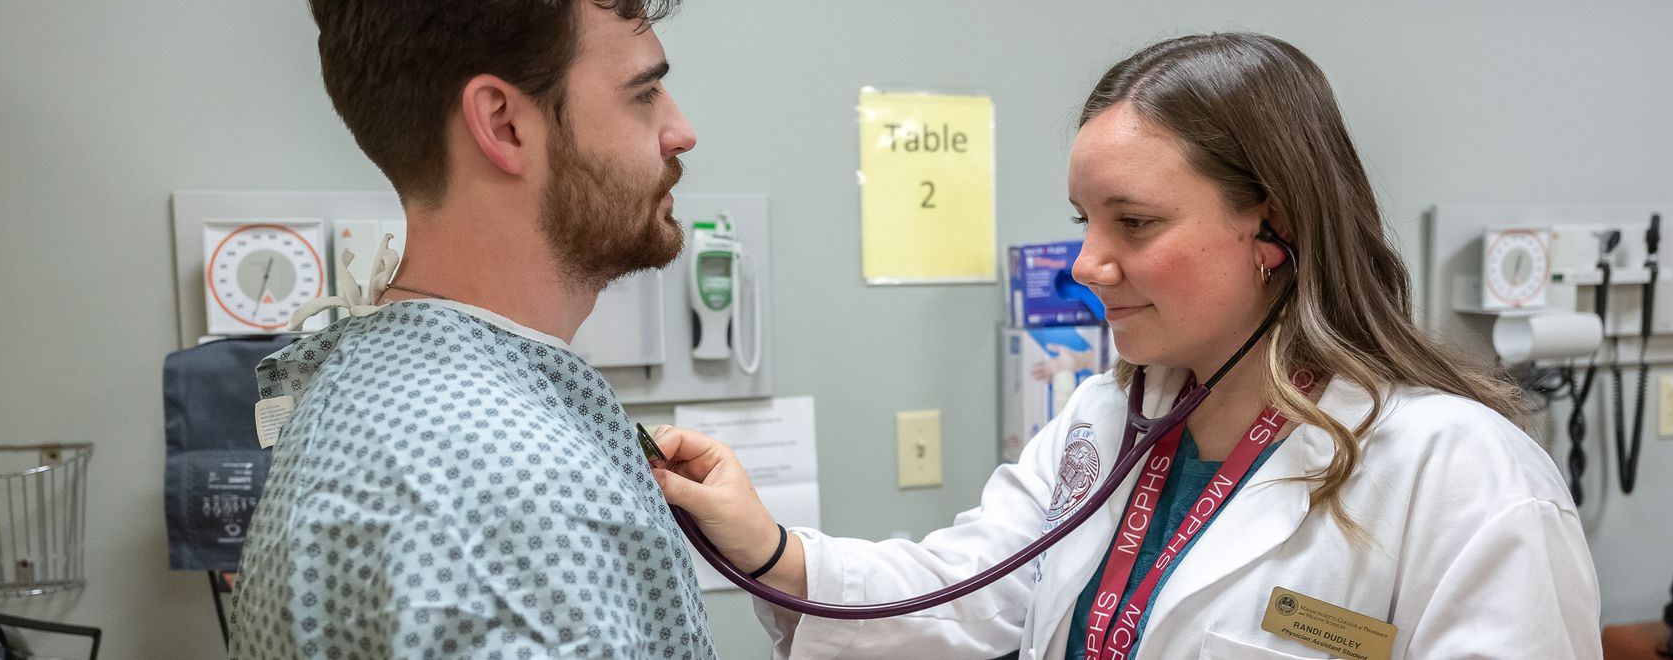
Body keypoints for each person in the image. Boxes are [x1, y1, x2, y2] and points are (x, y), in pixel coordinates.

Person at [650, 33, 1601, 659]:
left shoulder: (1464, 478)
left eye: (1134, 223)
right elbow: (971, 593)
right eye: (1084, 220)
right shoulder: (1105, 426)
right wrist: (769, 549)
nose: (1088, 264)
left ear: (1274, 229)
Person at [230, 0, 714, 657]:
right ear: (503, 124)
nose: (680, 130)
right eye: (643, 93)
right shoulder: (509, 497)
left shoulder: (379, 388)